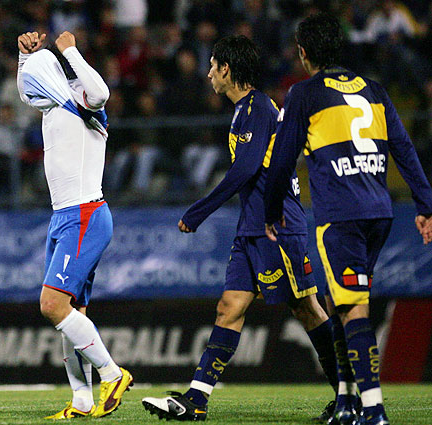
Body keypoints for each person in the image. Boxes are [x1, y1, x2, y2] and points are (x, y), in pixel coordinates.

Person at [141, 35, 338, 422]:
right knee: (229, 308)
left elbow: (246, 169)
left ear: (226, 69)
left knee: (307, 309)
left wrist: (198, 211)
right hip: (252, 226)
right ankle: (196, 400)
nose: (209, 74)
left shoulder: (258, 108)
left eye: (213, 66)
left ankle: (349, 395)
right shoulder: (244, 110)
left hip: (278, 225)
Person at [264, 13, 432, 425]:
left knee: (353, 307)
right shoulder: (373, 90)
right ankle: (346, 400)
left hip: (342, 217)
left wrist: (271, 210)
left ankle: (373, 409)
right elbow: (404, 149)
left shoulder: (304, 94)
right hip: (380, 214)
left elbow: (283, 159)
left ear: (303, 52)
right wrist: (425, 205)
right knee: (338, 301)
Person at [16, 31, 133, 419]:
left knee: (51, 305)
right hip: (64, 217)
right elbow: (25, 92)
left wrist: (69, 50)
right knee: (70, 313)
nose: (32, 86)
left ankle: (112, 374)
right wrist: (24, 57)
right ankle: (81, 401)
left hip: (84, 214)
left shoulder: (80, 98)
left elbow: (101, 92)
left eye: (37, 75)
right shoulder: (51, 106)